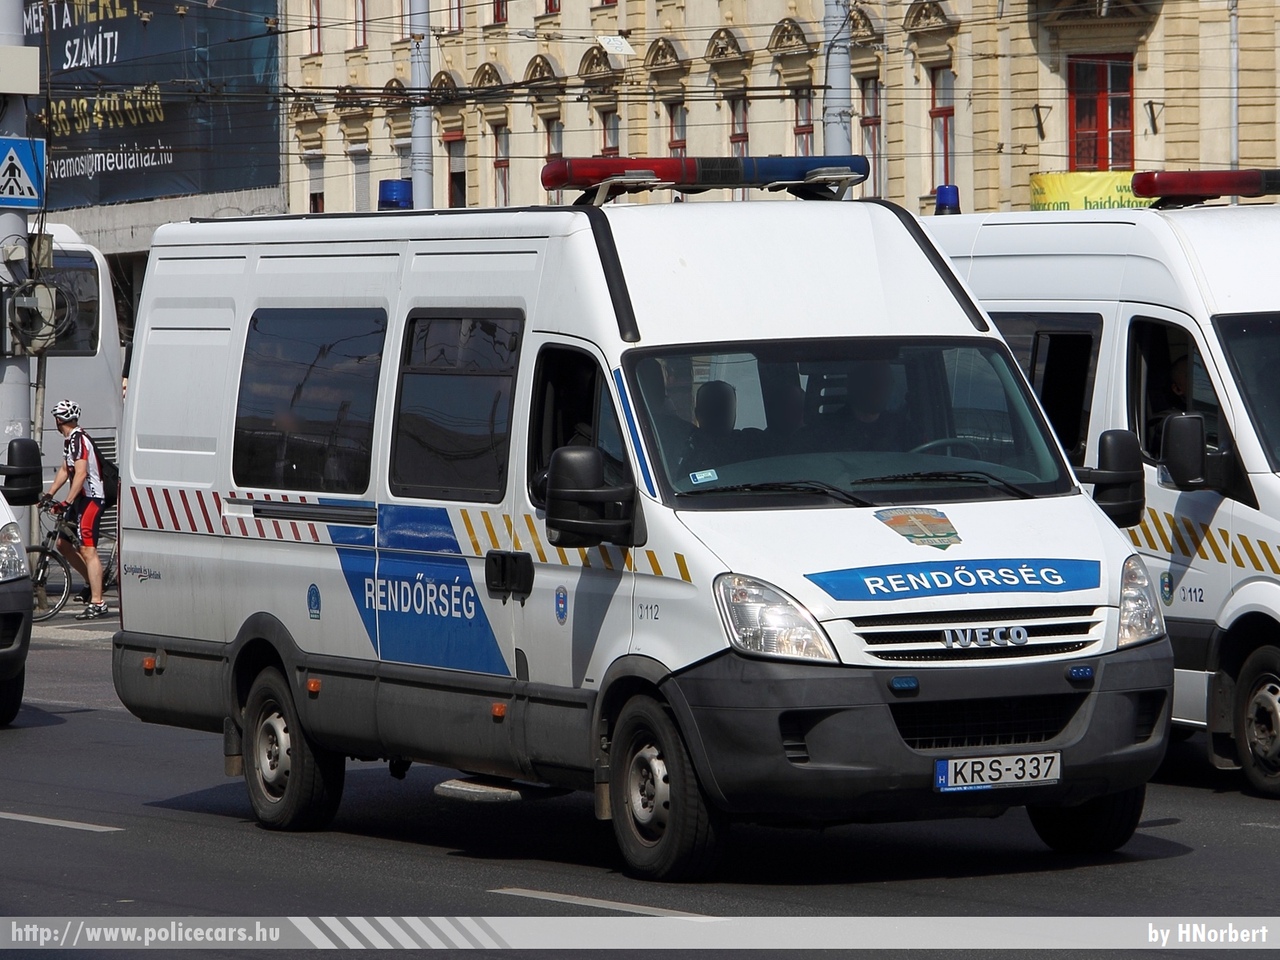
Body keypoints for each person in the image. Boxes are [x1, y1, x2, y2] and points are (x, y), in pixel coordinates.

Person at [44, 399, 109, 620]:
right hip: (80, 499)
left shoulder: (80, 439)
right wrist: (50, 494)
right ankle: (93, 583)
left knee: (88, 550)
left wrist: (67, 502)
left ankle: (98, 602)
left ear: (59, 419)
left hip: (90, 499)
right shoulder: (69, 441)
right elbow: (66, 469)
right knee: (63, 543)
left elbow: (80, 474)